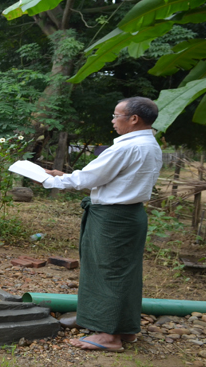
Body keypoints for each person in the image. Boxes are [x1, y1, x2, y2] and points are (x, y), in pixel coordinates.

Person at [41, 97, 162, 352]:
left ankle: (108, 335)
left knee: (109, 273)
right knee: (120, 272)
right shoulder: (149, 144)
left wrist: (48, 180)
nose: (113, 120)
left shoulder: (126, 148)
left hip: (114, 218)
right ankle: (118, 326)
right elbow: (111, 179)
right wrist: (65, 175)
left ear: (134, 119)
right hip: (129, 215)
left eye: (116, 115)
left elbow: (90, 178)